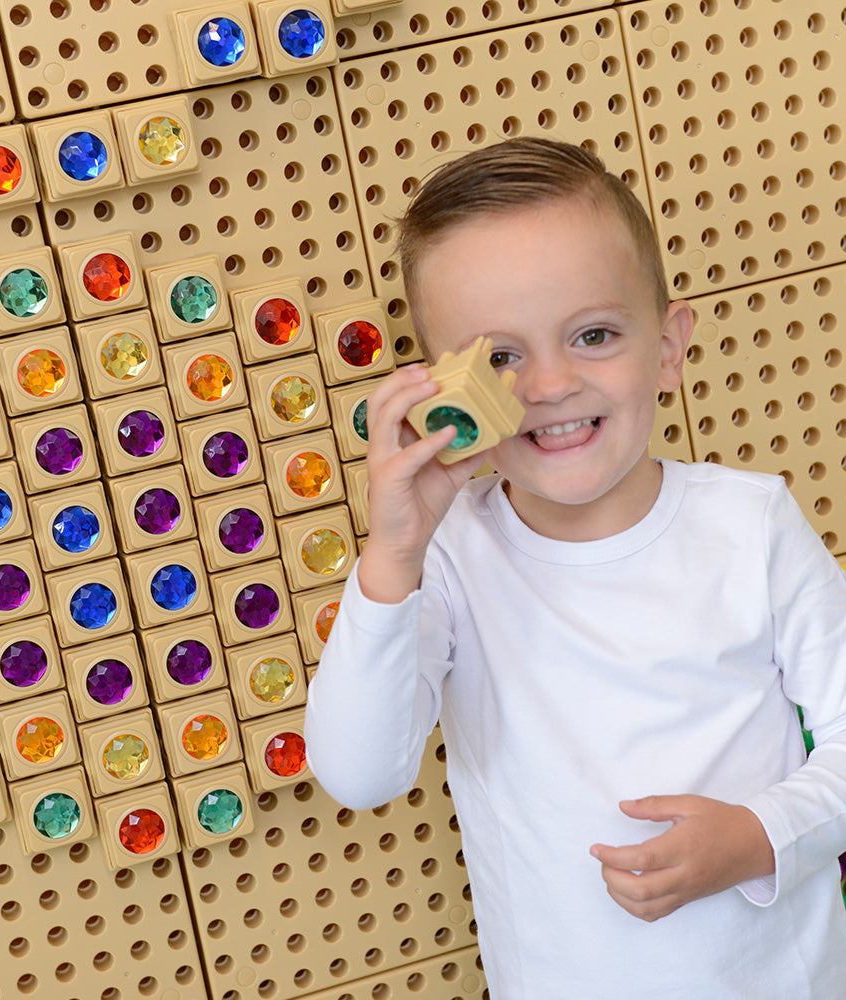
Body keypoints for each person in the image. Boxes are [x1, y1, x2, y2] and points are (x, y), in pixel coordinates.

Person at [303, 136, 846, 998]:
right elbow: (359, 772)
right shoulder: (445, 560)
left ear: (667, 350)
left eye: (592, 335)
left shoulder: (751, 525)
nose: (551, 384)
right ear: (442, 387)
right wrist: (393, 552)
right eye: (501, 359)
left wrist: (758, 836)